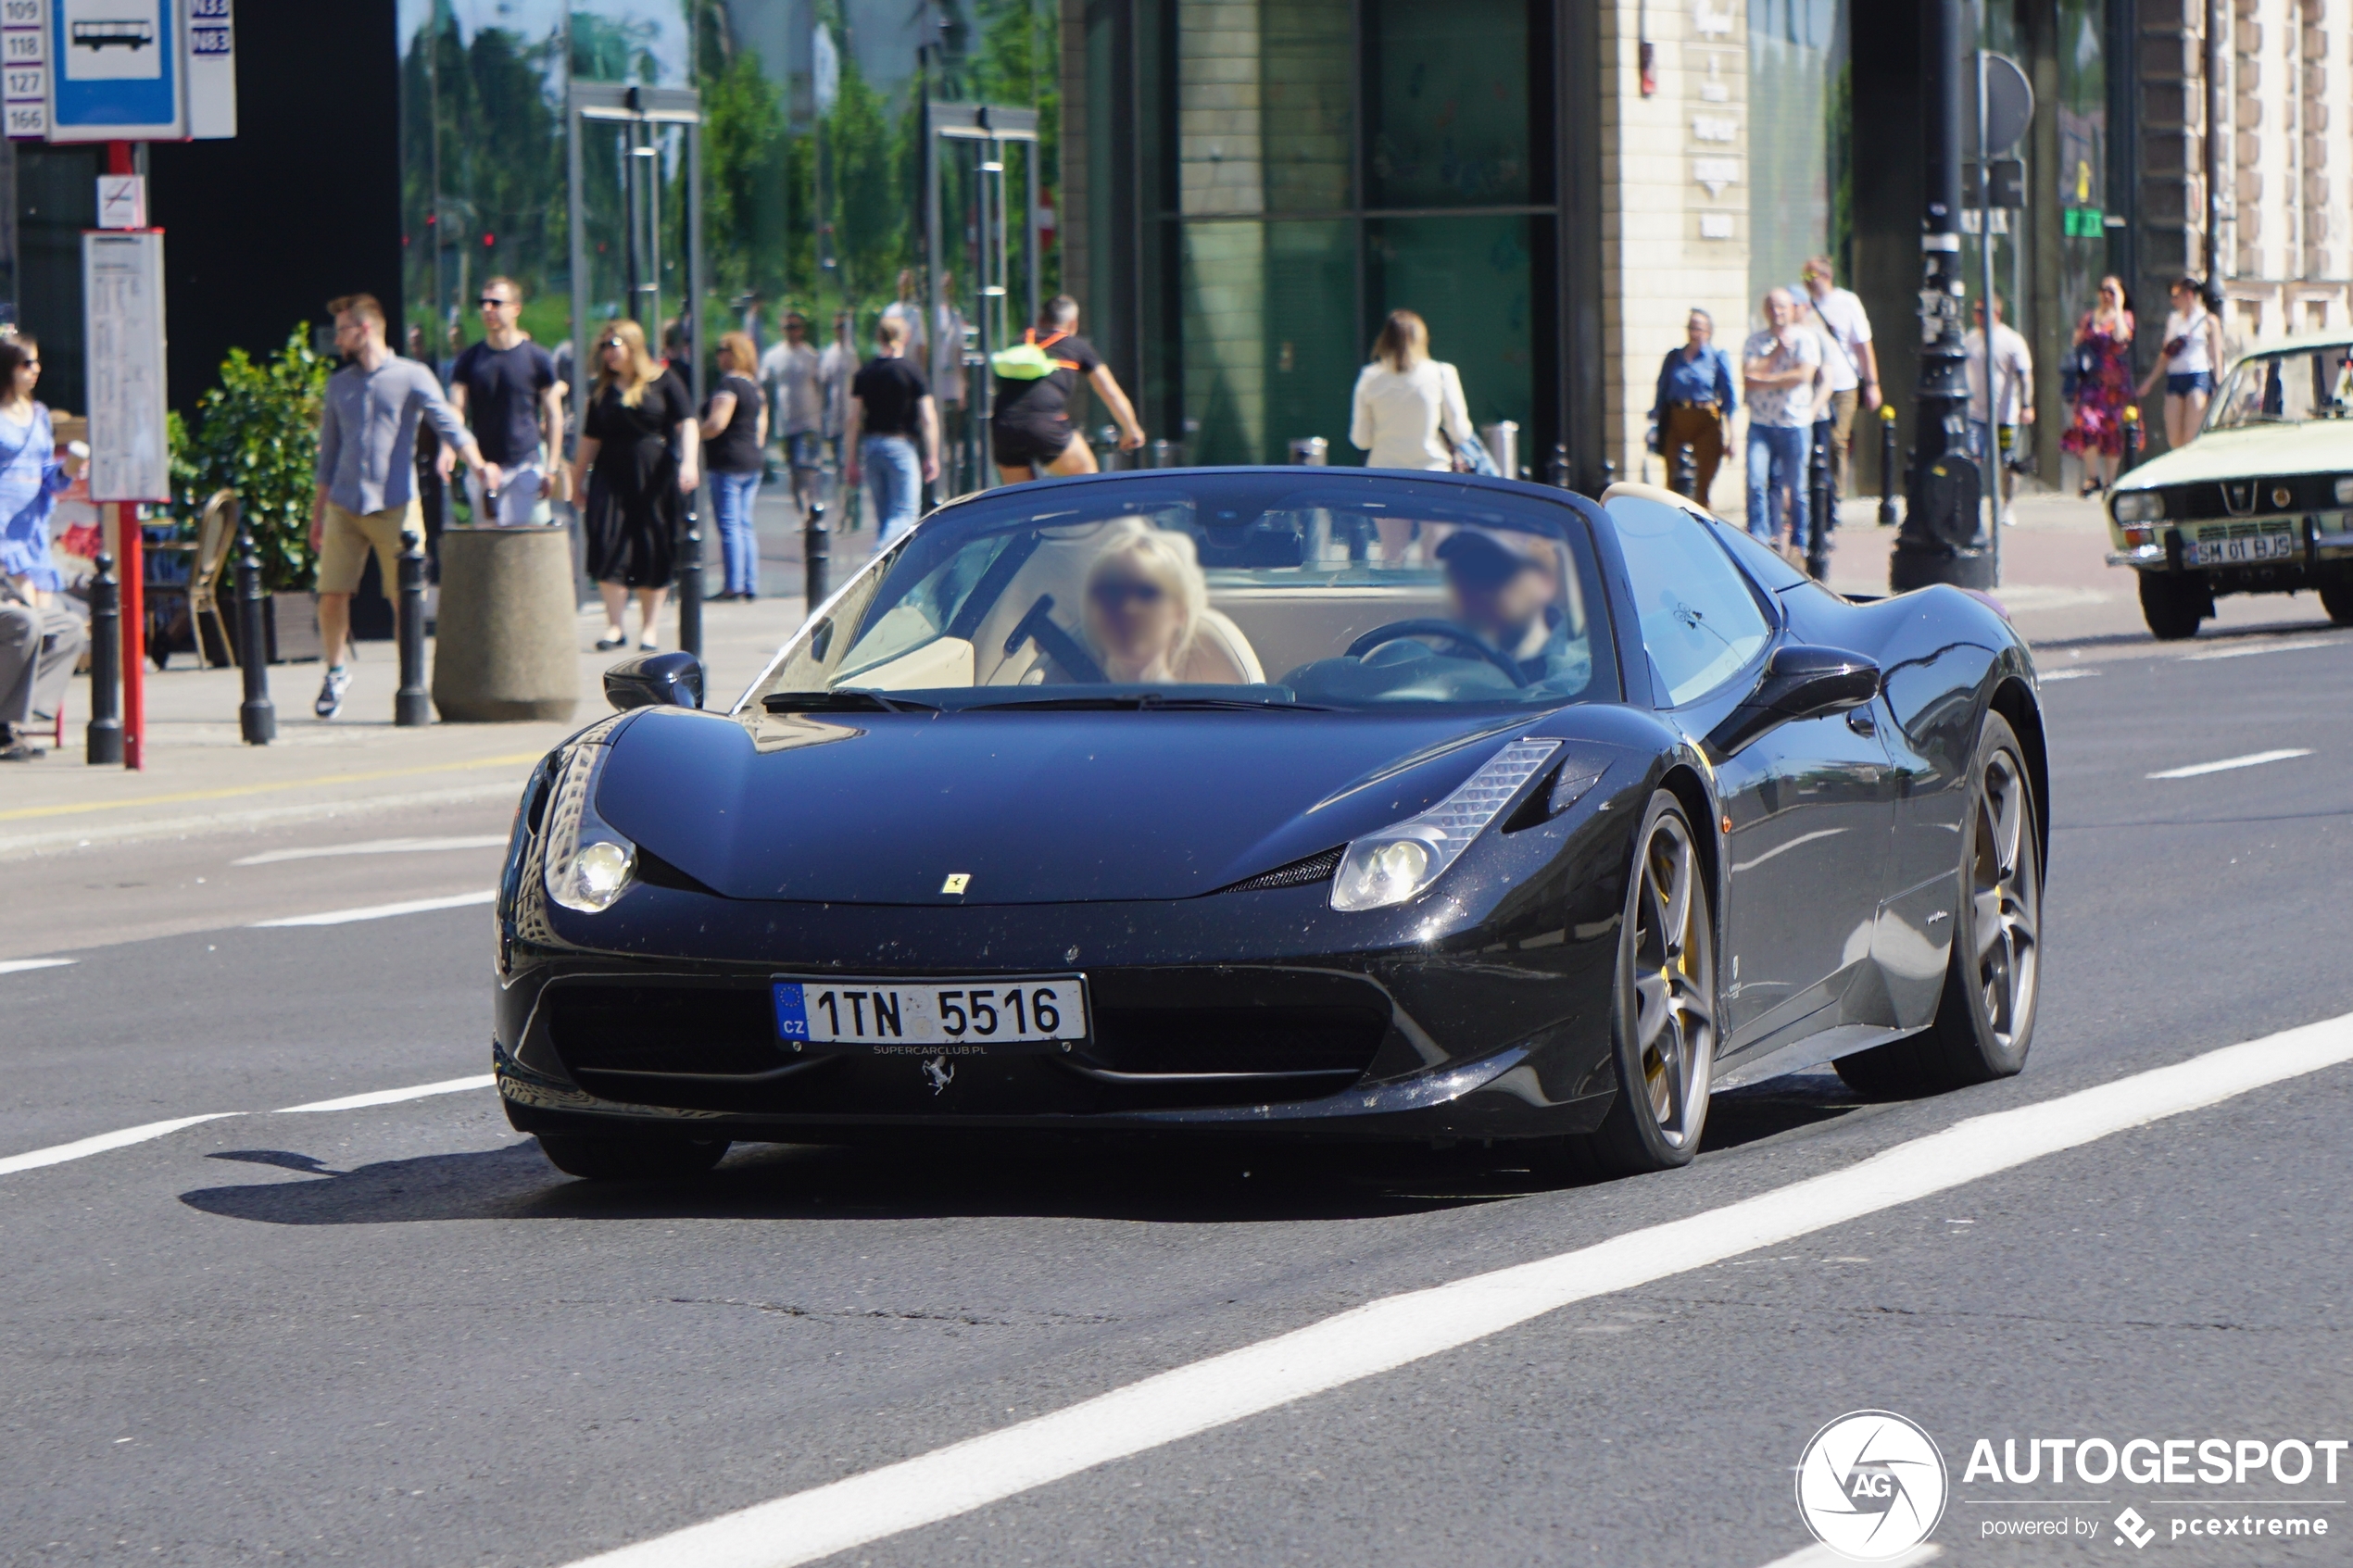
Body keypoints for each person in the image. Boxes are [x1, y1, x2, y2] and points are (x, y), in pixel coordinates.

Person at [311, 293, 486, 719]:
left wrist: (479, 465)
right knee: (332, 593)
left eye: (343, 330)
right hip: (345, 504)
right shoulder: (340, 385)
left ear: (365, 328)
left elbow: (446, 421)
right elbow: (327, 456)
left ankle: (410, 683)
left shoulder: (412, 375)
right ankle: (335, 671)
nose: (338, 340)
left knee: (404, 597)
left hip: (395, 504)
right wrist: (317, 516)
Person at [572, 319, 700, 651]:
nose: (607, 353)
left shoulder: (663, 381)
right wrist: (576, 480)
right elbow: (589, 440)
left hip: (653, 473)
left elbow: (687, 422)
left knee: (652, 545)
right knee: (605, 540)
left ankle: (649, 630)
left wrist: (688, 462)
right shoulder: (601, 392)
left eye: (613, 345)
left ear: (632, 346)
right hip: (609, 474)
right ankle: (614, 626)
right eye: (603, 347)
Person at [444, 276, 565, 526]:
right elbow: (456, 411)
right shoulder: (469, 360)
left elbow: (553, 416)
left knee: (524, 545)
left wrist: (551, 469)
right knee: (488, 549)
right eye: (483, 303)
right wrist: (452, 450)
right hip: (483, 468)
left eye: (496, 303)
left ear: (515, 309)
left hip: (525, 465)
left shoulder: (537, 358)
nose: (488, 309)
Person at [992, 295, 1146, 484]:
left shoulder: (1019, 342)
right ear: (1073, 323)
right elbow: (1110, 392)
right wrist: (1131, 430)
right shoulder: (1076, 346)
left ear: (1041, 320)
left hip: (1004, 426)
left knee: (1019, 501)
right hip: (1046, 425)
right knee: (1088, 483)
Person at [1431, 529, 1587, 696]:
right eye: (1462, 575)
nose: (1473, 591)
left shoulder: (1580, 671)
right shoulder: (1439, 662)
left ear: (1543, 582)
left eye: (1495, 571)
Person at [843, 316, 939, 552]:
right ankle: (877, 554)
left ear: (879, 337)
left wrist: (850, 460)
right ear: (905, 337)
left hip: (872, 447)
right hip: (901, 446)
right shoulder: (912, 371)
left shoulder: (865, 373)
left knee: (885, 519)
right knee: (905, 515)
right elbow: (928, 417)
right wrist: (933, 456)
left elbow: (853, 419)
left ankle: (884, 577)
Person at [1742, 288, 1821, 554]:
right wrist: (1775, 355)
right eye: (1773, 307)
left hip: (1794, 423)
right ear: (1766, 310)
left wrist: (1764, 378)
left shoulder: (1805, 340)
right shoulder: (1755, 342)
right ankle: (1760, 538)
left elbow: (1804, 376)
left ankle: (1800, 542)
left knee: (1797, 488)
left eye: (1783, 307)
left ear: (1792, 309)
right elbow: (1748, 377)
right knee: (1756, 480)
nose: (1778, 313)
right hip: (1761, 424)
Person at [1080, 522, 1207, 684]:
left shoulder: (1197, 707)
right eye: (1113, 593)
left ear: (1180, 612)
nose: (1128, 608)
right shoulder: (1062, 705)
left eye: (1147, 593)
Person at [1799, 256, 1880, 495]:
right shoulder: (1805, 307)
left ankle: (1836, 494)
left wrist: (1872, 384)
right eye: (1804, 277)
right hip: (1815, 383)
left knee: (1837, 439)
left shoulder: (1847, 302)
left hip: (1844, 383)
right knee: (1814, 440)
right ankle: (1815, 493)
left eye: (1811, 276)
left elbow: (1863, 344)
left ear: (1826, 276)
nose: (1807, 282)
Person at [700, 332, 768, 601]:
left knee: (729, 524)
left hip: (728, 461)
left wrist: (695, 433)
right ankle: (749, 583)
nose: (718, 356)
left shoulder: (728, 385)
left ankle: (733, 585)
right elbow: (761, 429)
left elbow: (717, 423)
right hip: (751, 459)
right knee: (744, 524)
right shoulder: (754, 387)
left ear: (733, 353)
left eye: (721, 350)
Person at [1649, 309, 1737, 502]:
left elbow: (1729, 398)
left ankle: (1700, 520)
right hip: (1676, 416)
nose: (1694, 332)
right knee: (1672, 478)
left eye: (1699, 328)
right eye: (1691, 327)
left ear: (1709, 331)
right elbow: (1662, 389)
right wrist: (1654, 426)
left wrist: (1732, 436)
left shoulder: (1716, 358)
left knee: (1703, 480)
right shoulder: (1674, 357)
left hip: (1705, 418)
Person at [2061, 275, 2136, 495]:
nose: (2107, 295)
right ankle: (2092, 477)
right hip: (2091, 381)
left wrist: (2119, 308)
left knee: (2112, 432)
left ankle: (2110, 482)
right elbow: (2076, 342)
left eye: (2112, 291)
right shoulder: (2090, 317)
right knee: (2087, 426)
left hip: (2114, 384)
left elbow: (2122, 338)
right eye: (2104, 290)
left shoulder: (2126, 317)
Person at [1964, 295, 2035, 511]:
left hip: (2005, 415)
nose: (1976, 316)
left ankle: (2008, 504)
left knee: (2007, 461)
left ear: (1995, 313)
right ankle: (1972, 505)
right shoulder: (1970, 339)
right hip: (1975, 414)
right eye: (1975, 311)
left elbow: (2025, 376)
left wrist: (2026, 405)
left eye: (1981, 311)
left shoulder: (2012, 341)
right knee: (1973, 458)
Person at [2139, 275, 2224, 450]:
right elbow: (2166, 354)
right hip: (2175, 376)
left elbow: (2216, 355)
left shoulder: (2208, 320)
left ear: (2189, 295)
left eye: (2176, 295)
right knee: (2174, 437)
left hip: (2197, 376)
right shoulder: (2174, 320)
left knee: (2191, 435)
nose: (2173, 300)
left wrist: (2219, 383)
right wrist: (2150, 380)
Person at [759, 312, 824, 510]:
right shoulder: (773, 355)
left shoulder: (811, 355)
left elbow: (820, 384)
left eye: (795, 327)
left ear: (802, 330)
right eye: (788, 327)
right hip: (786, 422)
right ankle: (801, 506)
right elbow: (763, 384)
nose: (792, 331)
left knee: (807, 466)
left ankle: (811, 505)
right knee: (795, 469)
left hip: (809, 420)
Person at [817, 309, 859, 524]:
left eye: (844, 327)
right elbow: (823, 385)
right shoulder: (829, 353)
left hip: (851, 416)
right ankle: (843, 508)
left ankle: (849, 510)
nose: (840, 331)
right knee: (837, 465)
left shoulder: (852, 354)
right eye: (838, 327)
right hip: (834, 415)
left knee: (847, 463)